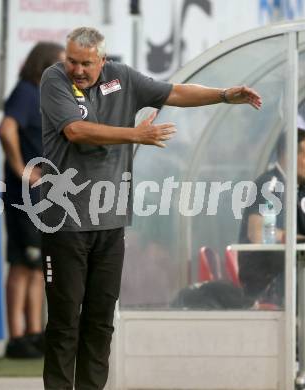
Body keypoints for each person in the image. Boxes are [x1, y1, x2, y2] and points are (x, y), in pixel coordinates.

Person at [39, 26, 261, 389]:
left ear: (103, 60)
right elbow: (76, 131)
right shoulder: (54, 79)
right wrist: (135, 135)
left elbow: (174, 92)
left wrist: (223, 95)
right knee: (65, 321)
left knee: (100, 320)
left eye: (85, 63)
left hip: (111, 222)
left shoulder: (122, 78)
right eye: (72, 61)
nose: (76, 69)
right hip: (64, 223)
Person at [0, 42, 65, 358]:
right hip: (24, 195)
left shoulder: (43, 95)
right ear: (45, 66)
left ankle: (35, 332)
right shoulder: (25, 92)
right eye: (60, 65)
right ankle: (16, 336)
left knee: (39, 265)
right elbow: (6, 128)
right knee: (23, 262)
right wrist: (18, 167)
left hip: (43, 195)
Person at [238, 116, 305, 305]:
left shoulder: (296, 188)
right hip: (266, 281)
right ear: (289, 155)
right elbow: (258, 234)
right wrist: (294, 238)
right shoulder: (270, 185)